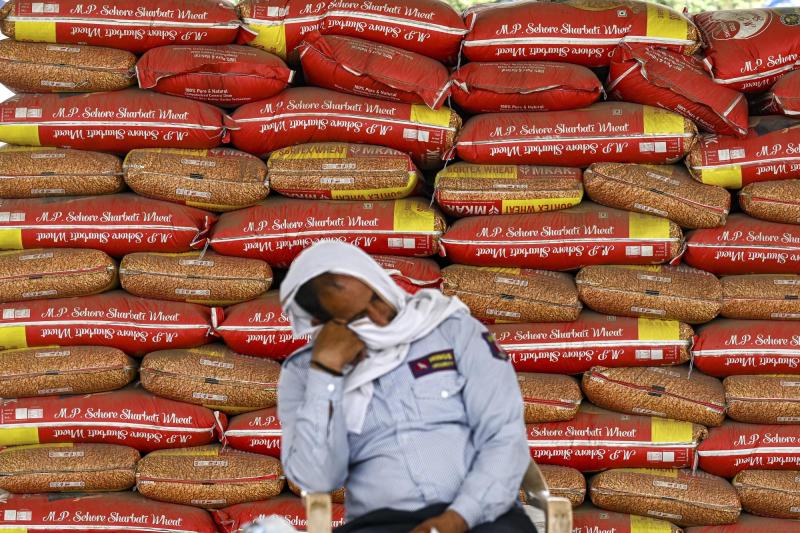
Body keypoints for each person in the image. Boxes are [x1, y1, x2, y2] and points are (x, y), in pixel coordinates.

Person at [278, 241, 533, 533]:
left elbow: (503, 435)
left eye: (377, 297)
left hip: (480, 517)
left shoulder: (454, 330)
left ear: (378, 279)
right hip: (379, 524)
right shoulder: (302, 372)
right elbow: (318, 479)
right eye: (359, 317)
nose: (380, 317)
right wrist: (326, 372)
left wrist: (458, 518)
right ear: (320, 323)